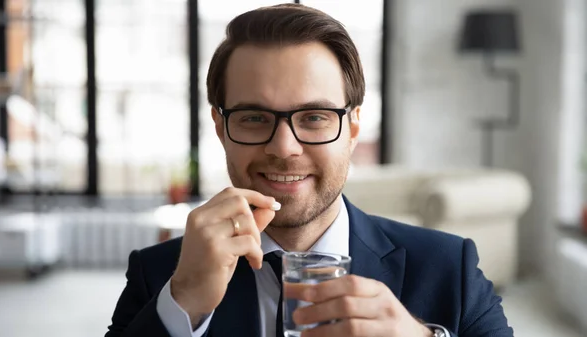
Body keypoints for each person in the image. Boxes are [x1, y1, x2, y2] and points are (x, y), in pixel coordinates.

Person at [105, 4, 513, 337]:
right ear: (219, 126)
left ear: (352, 128)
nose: (284, 148)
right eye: (253, 118)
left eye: (315, 117)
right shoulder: (159, 274)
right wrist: (184, 301)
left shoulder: (448, 266)